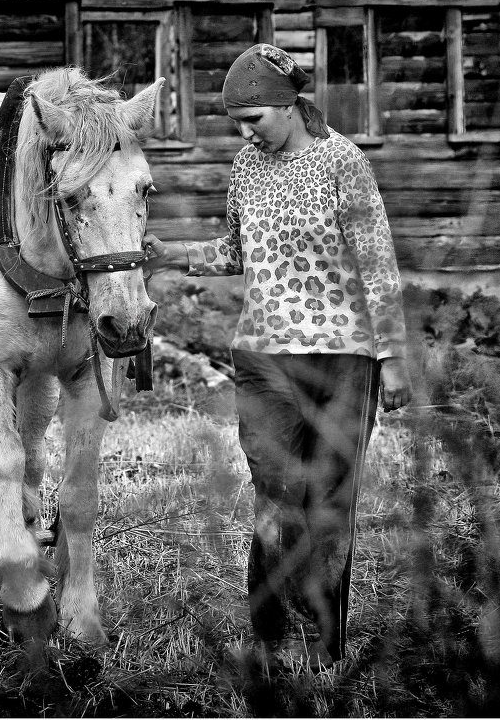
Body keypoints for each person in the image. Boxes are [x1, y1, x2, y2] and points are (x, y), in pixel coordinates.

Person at [144, 43, 412, 668]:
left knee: (330, 498)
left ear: (289, 106)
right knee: (273, 486)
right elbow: (236, 251)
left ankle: (325, 641)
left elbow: (377, 262)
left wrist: (393, 356)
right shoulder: (245, 166)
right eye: (237, 121)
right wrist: (172, 255)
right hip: (264, 352)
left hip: (344, 355)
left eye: (254, 118)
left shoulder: (343, 162)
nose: (245, 132)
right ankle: (265, 630)